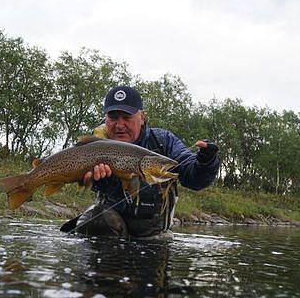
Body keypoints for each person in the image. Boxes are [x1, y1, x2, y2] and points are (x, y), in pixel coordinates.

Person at [60, 86, 220, 239]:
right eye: (113, 117)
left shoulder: (163, 141)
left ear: (141, 117)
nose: (120, 125)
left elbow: (195, 179)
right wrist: (103, 184)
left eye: (127, 117)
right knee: (98, 218)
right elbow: (80, 179)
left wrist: (207, 161)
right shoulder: (96, 145)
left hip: (154, 238)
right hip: (109, 230)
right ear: (106, 119)